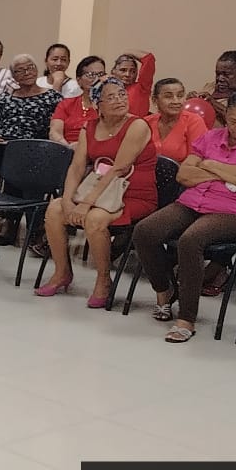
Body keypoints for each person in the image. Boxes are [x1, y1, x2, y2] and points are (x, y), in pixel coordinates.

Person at [131, 91, 236, 343]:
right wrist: (229, 175)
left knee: (191, 240)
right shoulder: (210, 137)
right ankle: (164, 289)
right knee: (145, 231)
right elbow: (184, 175)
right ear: (225, 116)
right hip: (193, 203)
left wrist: (210, 165)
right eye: (234, 121)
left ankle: (186, 318)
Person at [36, 76, 157, 306]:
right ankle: (62, 272)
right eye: (110, 97)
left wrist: (85, 204)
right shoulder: (89, 127)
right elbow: (77, 167)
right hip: (100, 191)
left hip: (132, 194)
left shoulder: (137, 125)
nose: (119, 100)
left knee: (95, 219)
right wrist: (68, 200)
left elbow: (119, 169)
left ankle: (103, 280)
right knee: (55, 208)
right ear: (97, 104)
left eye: (122, 95)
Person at [0, 54, 62, 143]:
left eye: (30, 68)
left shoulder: (53, 97)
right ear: (13, 76)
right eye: (20, 70)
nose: (27, 73)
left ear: (37, 70)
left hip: (36, 145)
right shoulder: (4, 98)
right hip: (3, 143)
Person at [147, 76, 208, 163]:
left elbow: (196, 161)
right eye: (168, 96)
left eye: (180, 96)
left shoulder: (194, 121)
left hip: (183, 171)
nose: (176, 101)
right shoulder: (146, 122)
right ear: (154, 100)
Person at [50, 55, 109, 144]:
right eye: (91, 75)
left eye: (100, 74)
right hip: (67, 148)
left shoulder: (110, 105)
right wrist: (68, 147)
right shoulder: (66, 104)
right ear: (79, 80)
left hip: (98, 148)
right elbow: (55, 133)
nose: (96, 79)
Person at [191, 50, 236, 127]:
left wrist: (213, 103)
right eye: (218, 74)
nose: (220, 78)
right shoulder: (209, 86)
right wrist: (191, 99)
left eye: (226, 74)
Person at [111, 50, 156, 119]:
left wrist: (129, 52)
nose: (127, 74)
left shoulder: (142, 88)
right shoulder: (106, 90)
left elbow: (149, 58)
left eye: (133, 71)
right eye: (123, 70)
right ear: (113, 71)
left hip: (137, 125)